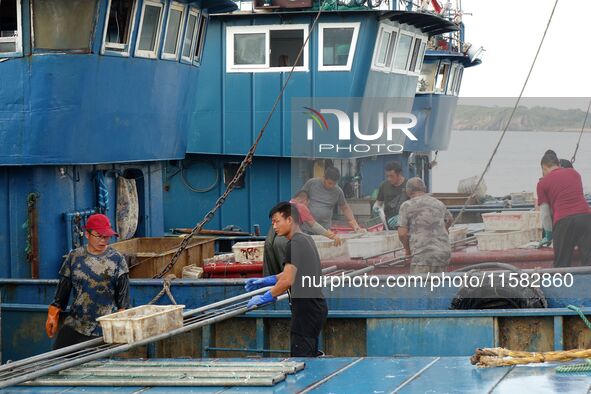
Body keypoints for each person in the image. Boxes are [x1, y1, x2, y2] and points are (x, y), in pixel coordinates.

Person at [246, 202, 328, 357]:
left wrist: (266, 297)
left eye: (277, 221)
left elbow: (287, 280)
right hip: (314, 308)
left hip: (306, 311)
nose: (274, 227)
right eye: (272, 223)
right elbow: (290, 273)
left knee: (302, 359)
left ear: (289, 219)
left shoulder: (295, 243)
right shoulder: (305, 238)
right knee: (310, 355)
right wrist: (267, 280)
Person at [45, 214, 130, 349]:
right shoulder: (74, 257)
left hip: (102, 329)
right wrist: (53, 313)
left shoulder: (117, 259)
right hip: (75, 324)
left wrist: (122, 318)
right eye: (99, 235)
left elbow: (123, 297)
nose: (103, 240)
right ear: (87, 234)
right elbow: (63, 288)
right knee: (57, 363)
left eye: (106, 236)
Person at [263, 190, 343, 276]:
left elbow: (269, 243)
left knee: (279, 274)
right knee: (290, 276)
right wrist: (331, 236)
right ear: (304, 200)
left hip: (273, 242)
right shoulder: (299, 206)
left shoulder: (283, 209)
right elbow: (313, 225)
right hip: (285, 242)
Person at [537, 151, 591, 267]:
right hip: (586, 218)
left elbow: (545, 214)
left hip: (564, 221)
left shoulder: (542, 183)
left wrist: (549, 234)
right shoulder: (575, 174)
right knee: (589, 261)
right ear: (558, 164)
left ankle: (561, 282)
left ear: (544, 167)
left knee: (562, 263)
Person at [398, 177, 453, 274]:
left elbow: (402, 234)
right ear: (425, 189)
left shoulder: (406, 206)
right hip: (443, 254)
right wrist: (444, 230)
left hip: (422, 256)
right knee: (440, 287)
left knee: (420, 288)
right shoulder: (439, 203)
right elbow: (450, 219)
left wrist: (407, 250)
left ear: (408, 192)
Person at [302, 167, 362, 233]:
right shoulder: (311, 183)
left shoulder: (338, 191)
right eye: (329, 183)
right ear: (324, 177)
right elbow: (300, 198)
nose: (332, 186)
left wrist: (353, 222)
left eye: (334, 183)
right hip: (307, 228)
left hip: (324, 230)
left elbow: (345, 208)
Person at [372, 161, 408, 229]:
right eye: (387, 176)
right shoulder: (384, 185)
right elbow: (378, 203)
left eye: (391, 176)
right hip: (388, 225)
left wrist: (401, 217)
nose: (389, 179)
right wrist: (376, 207)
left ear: (399, 174)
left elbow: (416, 207)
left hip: (405, 226)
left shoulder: (409, 185)